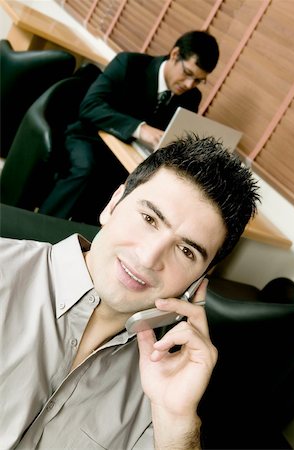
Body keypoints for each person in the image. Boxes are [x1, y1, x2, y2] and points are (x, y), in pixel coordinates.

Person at [0, 135, 260, 450]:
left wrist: (176, 423)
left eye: (186, 251)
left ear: (201, 278)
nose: (150, 258)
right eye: (149, 219)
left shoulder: (163, 386)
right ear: (113, 204)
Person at [38, 30, 219, 225]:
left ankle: (86, 241)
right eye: (187, 73)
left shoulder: (192, 98)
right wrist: (140, 129)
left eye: (198, 80)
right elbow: (90, 106)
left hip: (127, 157)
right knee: (86, 168)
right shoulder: (129, 64)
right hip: (89, 138)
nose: (189, 84)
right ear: (175, 55)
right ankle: (40, 226)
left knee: (133, 191)